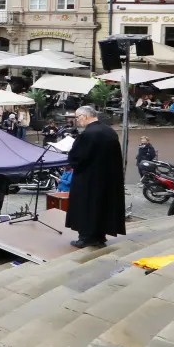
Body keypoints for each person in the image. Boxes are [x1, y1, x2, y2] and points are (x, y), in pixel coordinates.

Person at [65, 106, 126, 248]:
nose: (77, 121)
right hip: (107, 179)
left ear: (85, 116)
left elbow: (76, 158)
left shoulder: (88, 134)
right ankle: (99, 236)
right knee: (102, 207)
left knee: (87, 207)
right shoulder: (109, 131)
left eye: (78, 117)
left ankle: (86, 238)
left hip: (89, 179)